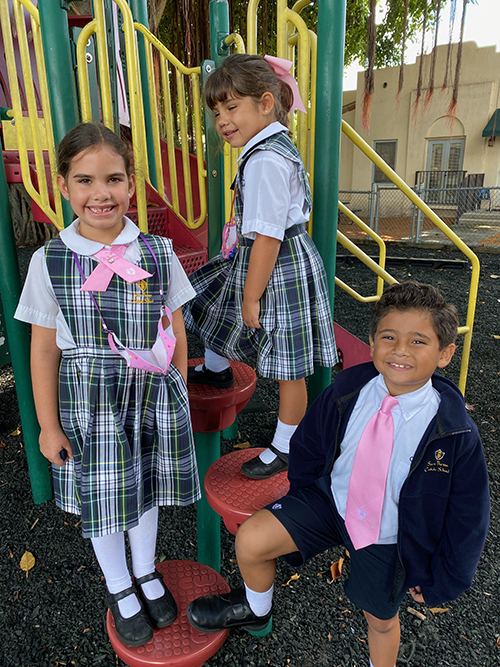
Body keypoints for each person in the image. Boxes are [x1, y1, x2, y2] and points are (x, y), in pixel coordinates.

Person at [186, 282, 490, 667]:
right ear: (372, 341)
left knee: (380, 620)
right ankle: (255, 606)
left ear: (445, 354)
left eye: (418, 342)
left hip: (388, 533)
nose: (399, 350)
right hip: (332, 502)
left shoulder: (455, 433)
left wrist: (444, 577)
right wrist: (301, 493)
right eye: (389, 337)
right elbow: (310, 444)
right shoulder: (346, 391)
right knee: (251, 539)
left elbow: (469, 515)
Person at [15, 123, 200, 648]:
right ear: (64, 186)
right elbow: (45, 349)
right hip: (91, 402)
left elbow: (175, 327)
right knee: (103, 496)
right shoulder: (49, 260)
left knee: (144, 489)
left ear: (132, 183)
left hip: (150, 396)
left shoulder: (158, 251)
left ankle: (144, 571)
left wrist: (178, 389)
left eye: (114, 179)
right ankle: (119, 585)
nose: (101, 193)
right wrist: (48, 426)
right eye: (85, 180)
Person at [184, 53, 337, 479]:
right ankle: (216, 371)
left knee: (290, 367)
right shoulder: (266, 149)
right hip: (267, 255)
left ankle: (287, 446)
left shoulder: (266, 159)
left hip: (277, 262)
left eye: (232, 107)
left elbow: (268, 235)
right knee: (209, 297)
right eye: (217, 112)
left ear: (266, 102)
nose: (223, 120)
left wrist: (252, 295)